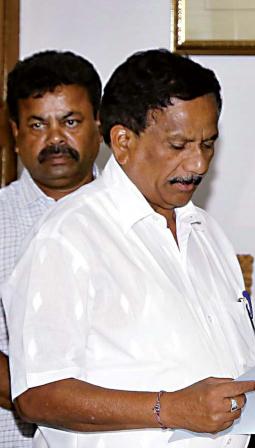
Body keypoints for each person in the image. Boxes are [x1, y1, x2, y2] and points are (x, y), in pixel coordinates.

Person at [1, 49, 255, 447]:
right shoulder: (68, 236)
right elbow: (37, 395)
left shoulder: (205, 232)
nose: (198, 164)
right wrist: (169, 408)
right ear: (122, 141)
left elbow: (225, 369)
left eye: (208, 144)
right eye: (179, 145)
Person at [0, 50, 103, 447]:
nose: (55, 139)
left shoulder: (140, 222)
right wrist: (42, 399)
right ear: (15, 132)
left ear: (99, 124)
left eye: (71, 121)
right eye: (38, 124)